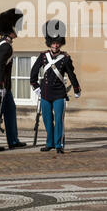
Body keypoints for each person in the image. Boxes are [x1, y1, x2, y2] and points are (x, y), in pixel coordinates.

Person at [30, 19, 81, 154]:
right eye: (53, 43)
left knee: (58, 120)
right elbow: (33, 72)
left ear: (60, 43)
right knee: (47, 119)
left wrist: (76, 88)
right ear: (49, 43)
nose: (55, 45)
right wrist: (35, 87)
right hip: (45, 92)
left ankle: (59, 145)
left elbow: (71, 75)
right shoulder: (43, 56)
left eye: (57, 43)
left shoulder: (65, 58)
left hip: (59, 93)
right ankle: (50, 143)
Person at [0, 8, 27, 152]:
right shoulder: (6, 46)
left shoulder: (1, 42)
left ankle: (13, 140)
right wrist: (1, 84)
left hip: (5, 85)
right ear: (11, 28)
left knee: (10, 110)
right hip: (0, 85)